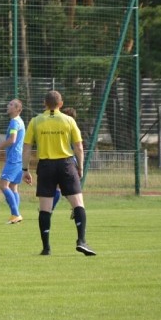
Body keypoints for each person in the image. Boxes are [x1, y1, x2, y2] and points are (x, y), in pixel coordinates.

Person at [23, 91, 96, 256]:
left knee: (45, 208)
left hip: (46, 165)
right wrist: (81, 167)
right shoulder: (69, 120)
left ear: (44, 103)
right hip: (66, 164)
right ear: (61, 104)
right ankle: (81, 241)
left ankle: (46, 247)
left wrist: (25, 170)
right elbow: (78, 146)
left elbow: (27, 148)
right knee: (78, 204)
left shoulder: (35, 121)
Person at [0, 99, 26, 224]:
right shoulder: (19, 121)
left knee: (3, 185)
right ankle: (16, 216)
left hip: (13, 158)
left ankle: (15, 214)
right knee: (13, 187)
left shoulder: (14, 122)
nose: (8, 106)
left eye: (11, 104)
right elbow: (10, 139)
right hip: (19, 158)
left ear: (18, 109)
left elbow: (12, 140)